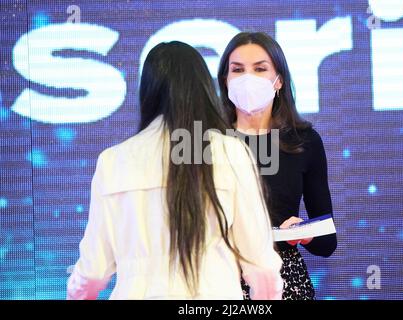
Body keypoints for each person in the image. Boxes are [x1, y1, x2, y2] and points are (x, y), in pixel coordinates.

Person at [67, 41, 283, 300]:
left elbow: (92, 271)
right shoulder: (230, 152)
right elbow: (260, 264)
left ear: (147, 91)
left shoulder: (114, 160)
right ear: (203, 88)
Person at [218, 32, 337, 300]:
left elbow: (328, 242)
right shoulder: (206, 141)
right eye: (238, 70)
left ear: (279, 80)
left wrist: (304, 234)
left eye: (260, 69)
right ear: (225, 80)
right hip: (219, 281)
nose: (248, 78)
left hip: (285, 280)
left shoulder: (304, 141)